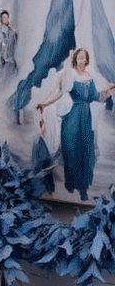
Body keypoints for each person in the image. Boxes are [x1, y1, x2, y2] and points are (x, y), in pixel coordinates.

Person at [36, 47, 115, 200]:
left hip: (86, 118)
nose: (82, 60)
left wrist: (109, 91)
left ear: (87, 60)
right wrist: (44, 103)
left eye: (85, 58)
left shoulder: (89, 77)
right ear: (75, 59)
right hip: (71, 118)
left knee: (85, 152)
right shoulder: (69, 75)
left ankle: (83, 188)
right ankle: (71, 187)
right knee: (71, 152)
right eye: (80, 57)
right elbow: (58, 92)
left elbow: (96, 97)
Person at [0, 9, 18, 76]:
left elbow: (14, 44)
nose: (5, 19)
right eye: (3, 17)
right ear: (1, 19)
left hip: (11, 61)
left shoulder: (12, 32)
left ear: (8, 18)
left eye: (6, 17)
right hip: (2, 62)